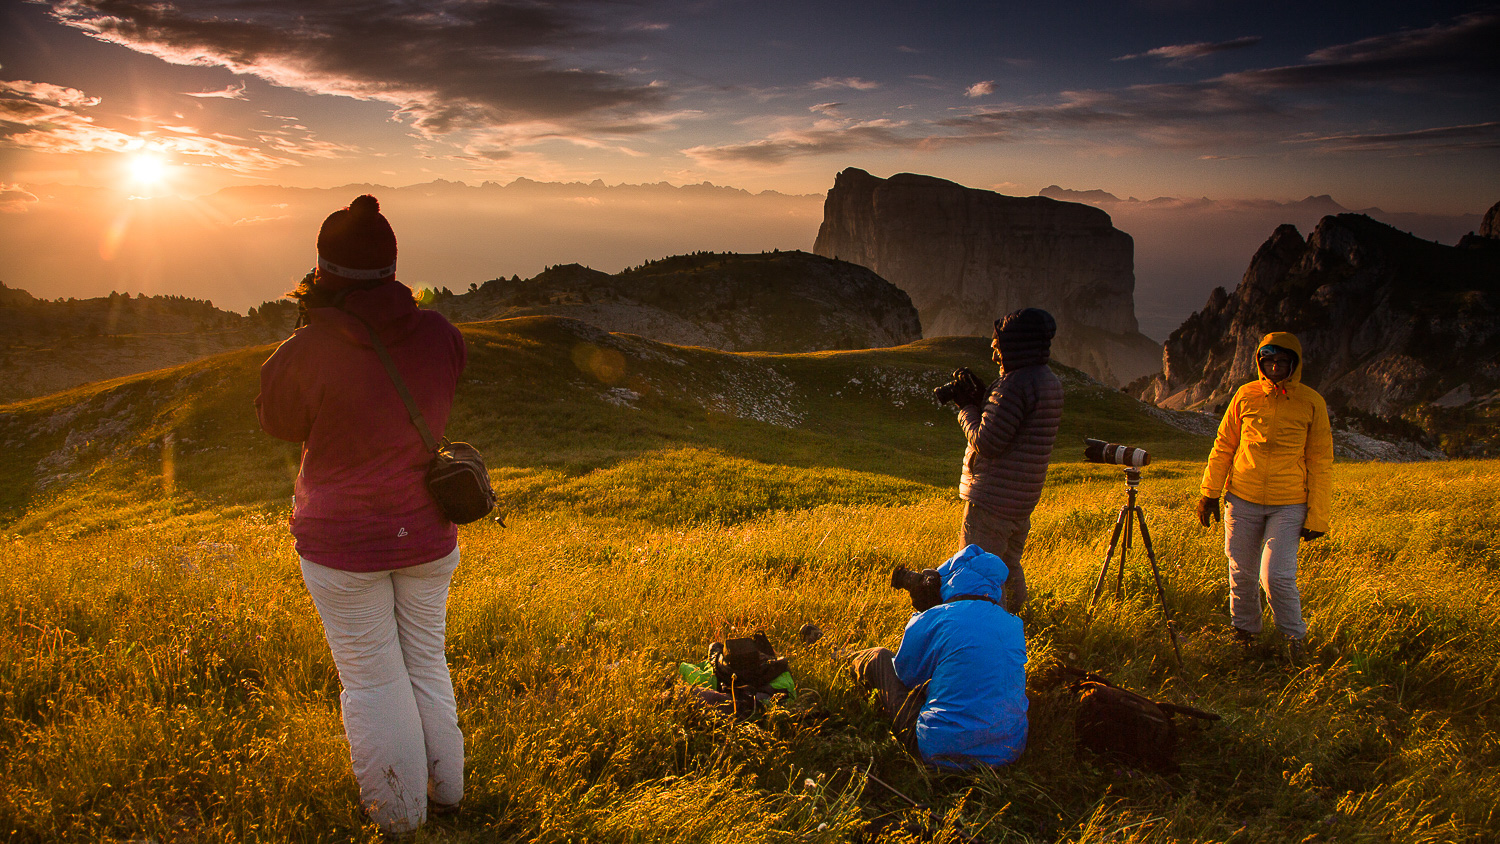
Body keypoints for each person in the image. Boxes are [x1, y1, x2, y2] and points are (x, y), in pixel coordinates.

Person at [256, 195, 467, 835]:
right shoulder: (440, 335)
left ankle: (400, 821)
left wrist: (307, 329)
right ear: (393, 266)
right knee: (426, 660)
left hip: (341, 543)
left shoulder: (306, 349)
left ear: (324, 271)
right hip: (428, 533)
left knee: (373, 680)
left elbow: (277, 422)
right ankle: (449, 796)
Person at [1196, 332, 1333, 660]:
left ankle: (1293, 642)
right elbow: (1224, 444)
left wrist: (1317, 516)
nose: (1274, 366)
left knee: (1276, 576)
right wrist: (1209, 493)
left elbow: (1320, 460)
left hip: (1288, 504)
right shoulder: (1246, 395)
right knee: (1241, 570)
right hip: (1241, 498)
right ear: (1259, 361)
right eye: (1268, 359)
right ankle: (1244, 635)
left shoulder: (1312, 402)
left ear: (1294, 364)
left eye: (1282, 361)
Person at [849, 545, 1028, 769]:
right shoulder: (1012, 624)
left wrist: (924, 613)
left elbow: (906, 675)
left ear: (953, 579)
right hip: (1008, 751)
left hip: (942, 751)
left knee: (879, 657)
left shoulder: (938, 618)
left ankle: (837, 655)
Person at [955, 307, 1064, 612]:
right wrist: (985, 401)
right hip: (1020, 502)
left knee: (976, 574)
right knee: (1008, 566)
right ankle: (1018, 624)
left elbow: (987, 442)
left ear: (1016, 345)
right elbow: (1016, 434)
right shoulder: (1048, 382)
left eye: (998, 348)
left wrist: (966, 408)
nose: (995, 357)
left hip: (992, 502)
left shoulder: (1015, 386)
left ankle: (982, 634)